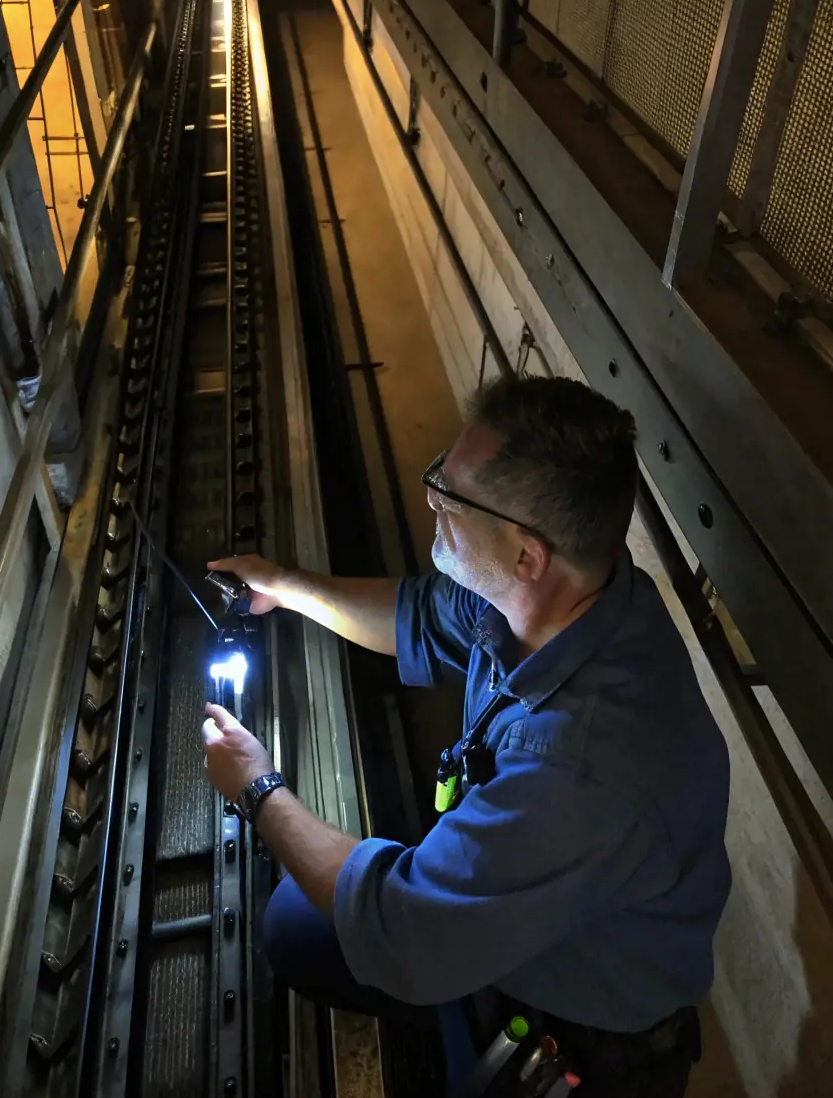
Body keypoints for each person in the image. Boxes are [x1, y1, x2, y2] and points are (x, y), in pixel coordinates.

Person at [201, 375, 731, 1097]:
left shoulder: (582, 764)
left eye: (451, 494)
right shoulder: (562, 599)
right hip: (514, 918)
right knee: (297, 921)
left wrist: (257, 786)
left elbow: (405, 929)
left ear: (527, 555)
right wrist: (284, 584)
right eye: (438, 476)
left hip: (579, 1031)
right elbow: (420, 615)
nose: (432, 498)